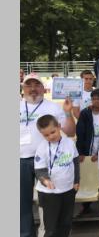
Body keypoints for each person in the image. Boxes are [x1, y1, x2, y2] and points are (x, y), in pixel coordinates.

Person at [20, 73, 76, 237]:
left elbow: (70, 132)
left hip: (49, 163)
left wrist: (67, 113)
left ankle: (48, 233)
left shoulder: (53, 107)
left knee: (49, 203)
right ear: (23, 89)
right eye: (28, 85)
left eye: (36, 85)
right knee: (22, 204)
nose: (33, 89)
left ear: (43, 89)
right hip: (21, 161)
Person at [34, 115, 79, 237]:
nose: (50, 137)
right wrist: (45, 180)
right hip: (49, 193)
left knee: (65, 224)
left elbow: (75, 162)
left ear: (59, 127)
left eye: (53, 132)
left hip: (68, 190)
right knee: (51, 227)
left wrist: (76, 181)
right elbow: (39, 170)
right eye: (46, 135)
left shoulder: (70, 143)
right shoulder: (42, 147)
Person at [76, 88, 99, 163]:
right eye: (94, 99)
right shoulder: (85, 113)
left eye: (98, 99)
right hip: (87, 150)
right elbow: (80, 133)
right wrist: (80, 153)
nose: (96, 101)